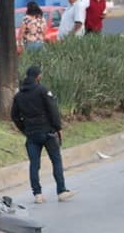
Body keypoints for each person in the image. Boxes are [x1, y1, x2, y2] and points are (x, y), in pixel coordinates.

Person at [11, 66, 76, 204]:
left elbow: (14, 116)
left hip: (31, 134)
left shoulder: (19, 96)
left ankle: (38, 194)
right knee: (56, 161)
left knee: (34, 164)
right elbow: (53, 111)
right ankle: (61, 190)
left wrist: (24, 129)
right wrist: (58, 128)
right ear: (38, 77)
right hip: (48, 133)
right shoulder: (43, 91)